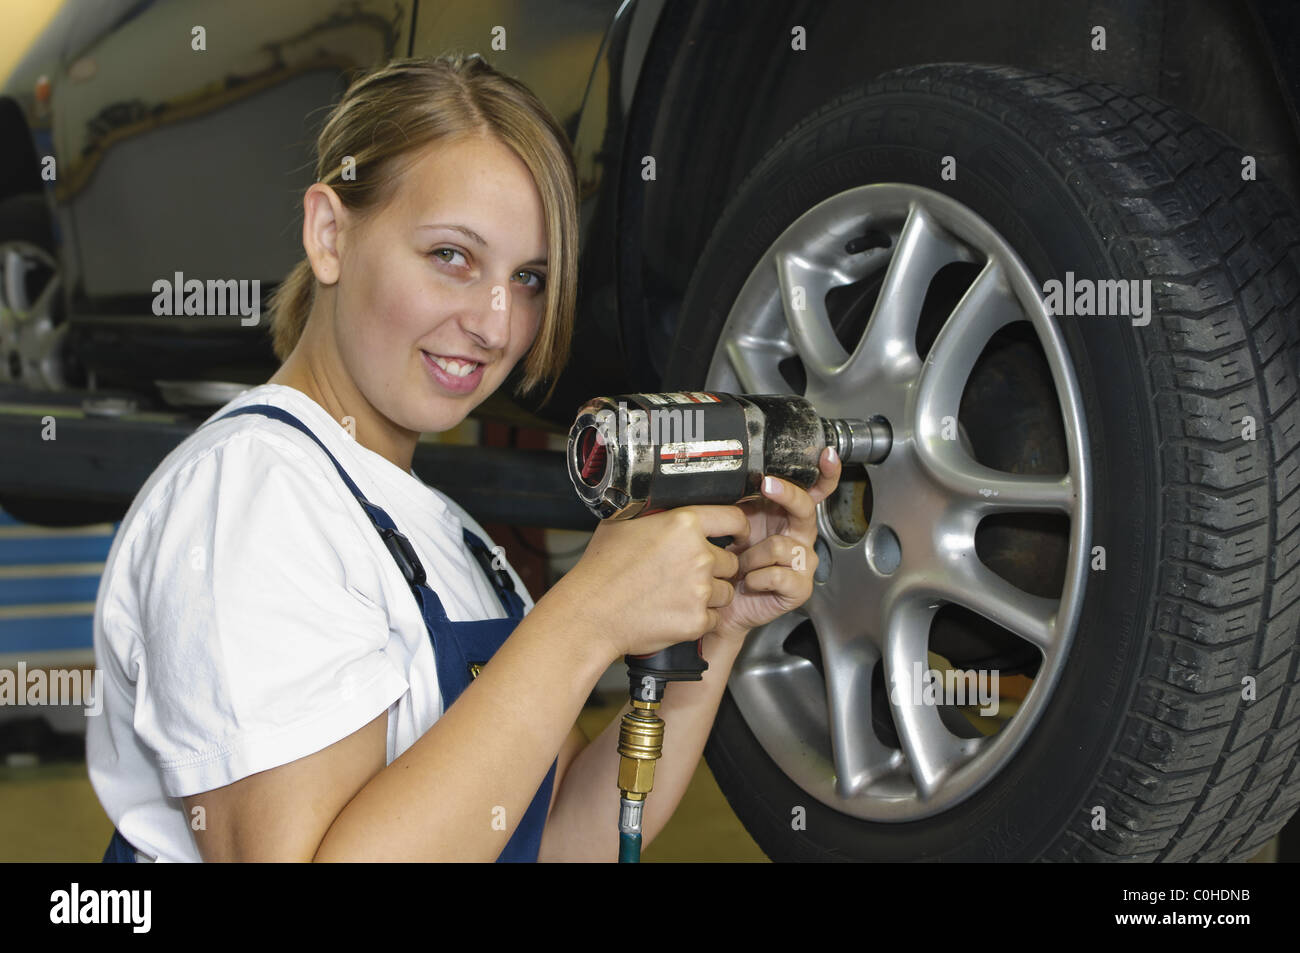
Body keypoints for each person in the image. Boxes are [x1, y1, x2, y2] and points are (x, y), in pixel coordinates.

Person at [87, 53, 841, 862]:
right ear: (329, 234)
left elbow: (553, 843)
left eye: (528, 278)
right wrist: (584, 617)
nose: (495, 322)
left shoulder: (449, 536)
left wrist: (717, 629)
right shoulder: (253, 495)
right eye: (452, 255)